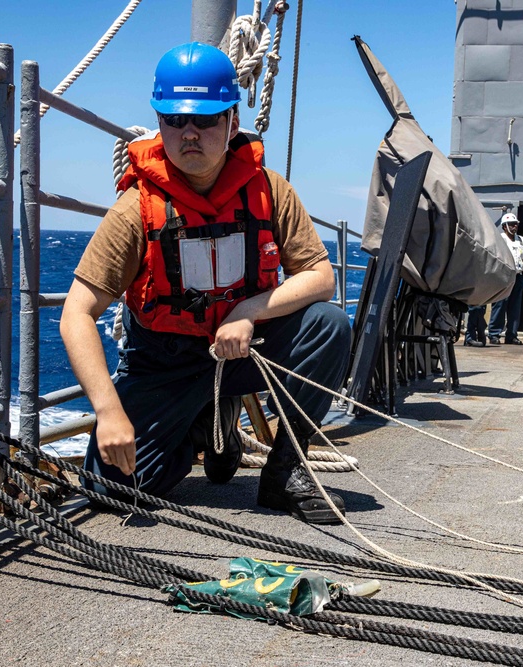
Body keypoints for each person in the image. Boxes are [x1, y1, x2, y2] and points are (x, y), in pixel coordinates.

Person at [59, 42, 351, 525]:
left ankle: (285, 473)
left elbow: (321, 278)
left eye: (206, 119)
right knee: (109, 489)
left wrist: (248, 311)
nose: (189, 132)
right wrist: (109, 412)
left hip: (243, 350)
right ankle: (202, 428)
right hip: (166, 362)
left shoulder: (269, 190)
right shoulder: (136, 209)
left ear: (232, 122)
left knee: (330, 325)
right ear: (160, 123)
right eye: (174, 120)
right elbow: (76, 314)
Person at [487, 212, 523, 345]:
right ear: (504, 226)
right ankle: (494, 334)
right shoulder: (500, 239)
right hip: (503, 277)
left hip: (518, 277)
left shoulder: (521, 240)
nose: (514, 226)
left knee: (515, 308)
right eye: (511, 224)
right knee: (500, 305)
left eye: (515, 224)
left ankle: (511, 335)